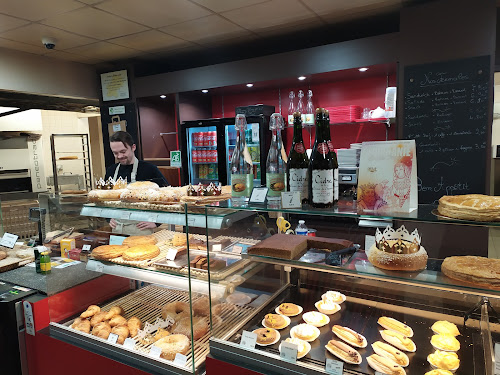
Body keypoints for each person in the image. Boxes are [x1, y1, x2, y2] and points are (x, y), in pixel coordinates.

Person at [104, 131, 169, 235]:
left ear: (133, 147)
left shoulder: (149, 169)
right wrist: (108, 218)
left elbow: (167, 196)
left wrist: (156, 222)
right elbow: (105, 197)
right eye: (115, 153)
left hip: (140, 228)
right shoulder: (111, 170)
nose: (120, 156)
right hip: (117, 227)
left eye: (123, 151)